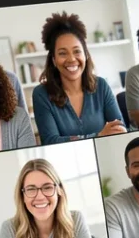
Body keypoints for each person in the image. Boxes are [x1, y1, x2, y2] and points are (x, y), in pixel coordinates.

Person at [32, 12, 128, 143]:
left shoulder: (101, 85)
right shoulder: (41, 94)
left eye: (77, 51)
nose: (71, 59)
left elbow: (119, 129)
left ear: (86, 55)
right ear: (54, 60)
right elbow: (51, 141)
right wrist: (99, 135)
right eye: (62, 53)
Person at [0, 159, 97, 238]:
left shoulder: (76, 218)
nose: (40, 196)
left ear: (59, 191)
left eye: (47, 187)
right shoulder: (9, 228)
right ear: (22, 196)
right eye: (31, 189)